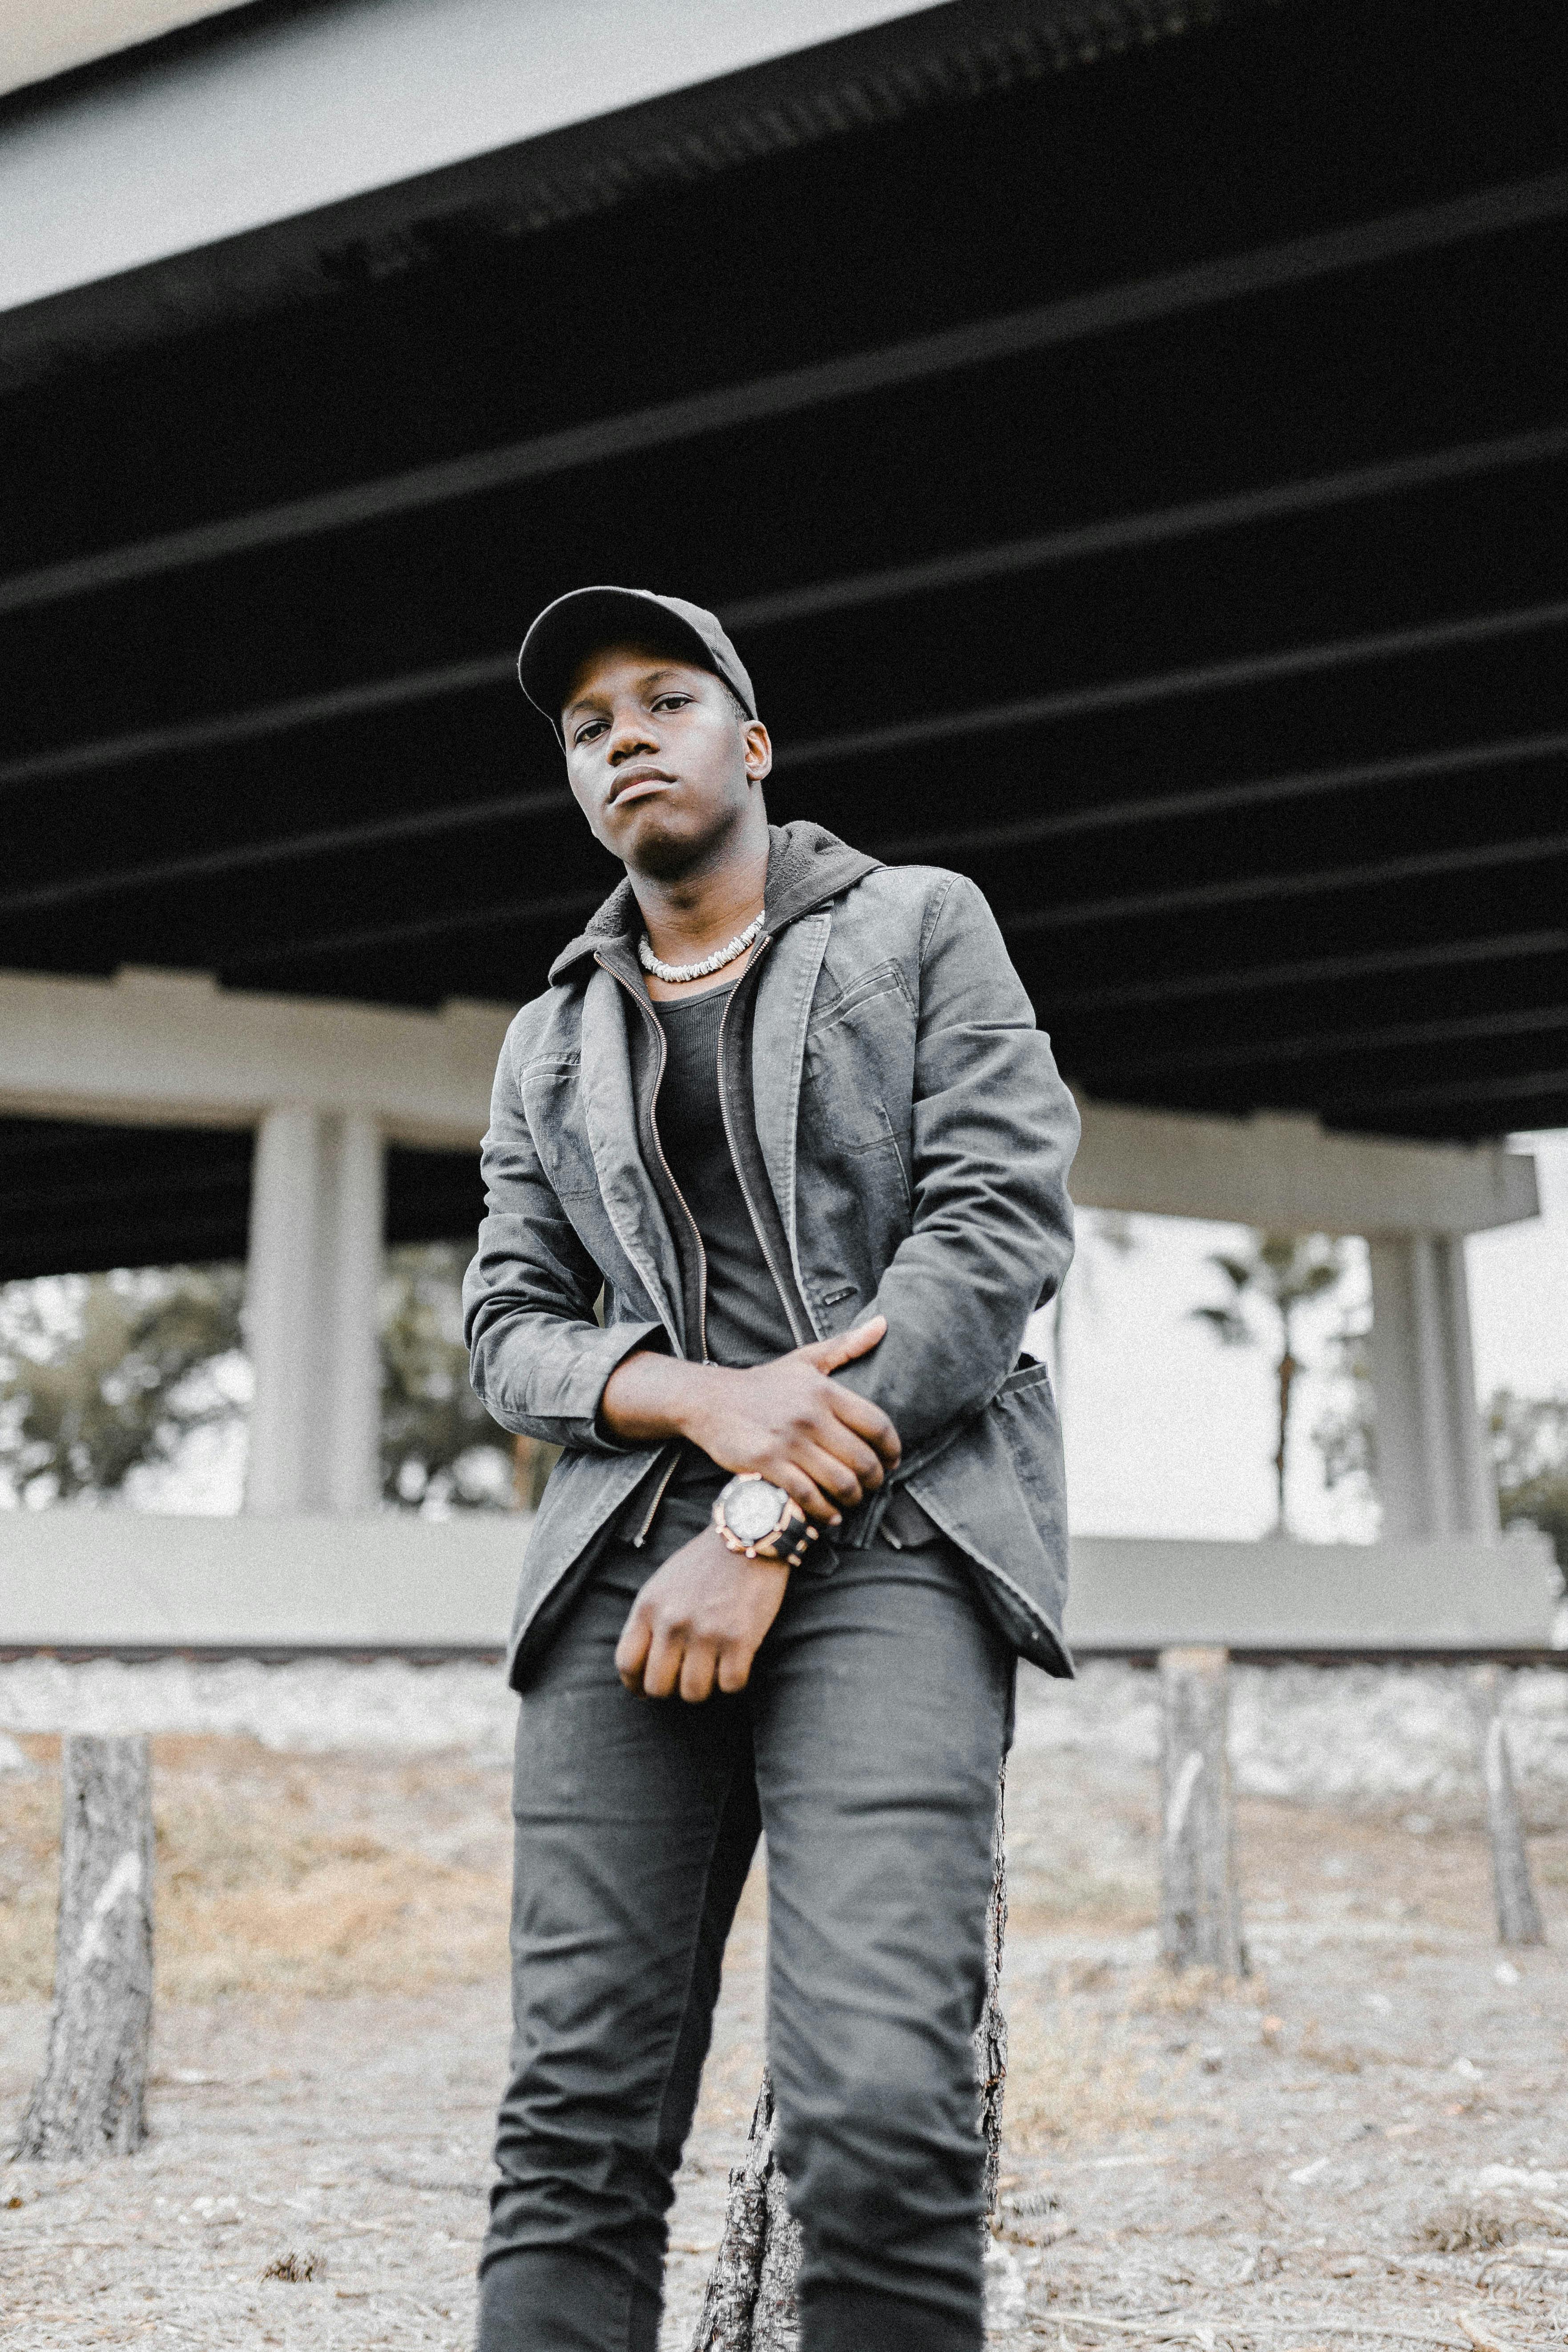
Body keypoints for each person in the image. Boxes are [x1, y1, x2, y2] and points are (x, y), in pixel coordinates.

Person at [464, 585, 1080, 2352]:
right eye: (590, 727)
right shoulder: (550, 1035)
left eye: (666, 700)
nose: (627, 739)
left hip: (894, 1544)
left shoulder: (921, 925)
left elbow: (993, 1228)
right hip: (619, 1578)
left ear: (753, 741)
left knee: (879, 2112)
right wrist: (691, 1397)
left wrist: (764, 1504)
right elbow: (506, 1327)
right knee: (572, 2128)